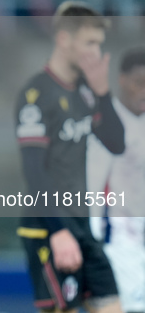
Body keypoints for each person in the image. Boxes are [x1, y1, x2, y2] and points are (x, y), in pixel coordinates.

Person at [14, 0, 125, 313]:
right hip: (48, 227)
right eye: (90, 42)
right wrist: (59, 231)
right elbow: (34, 170)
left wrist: (103, 93)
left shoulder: (86, 92)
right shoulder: (36, 95)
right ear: (64, 39)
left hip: (81, 224)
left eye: (99, 44)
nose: (96, 51)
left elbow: (116, 142)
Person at [87, 48, 145, 313]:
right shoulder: (107, 125)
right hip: (118, 241)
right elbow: (93, 184)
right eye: (140, 83)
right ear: (122, 80)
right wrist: (92, 238)